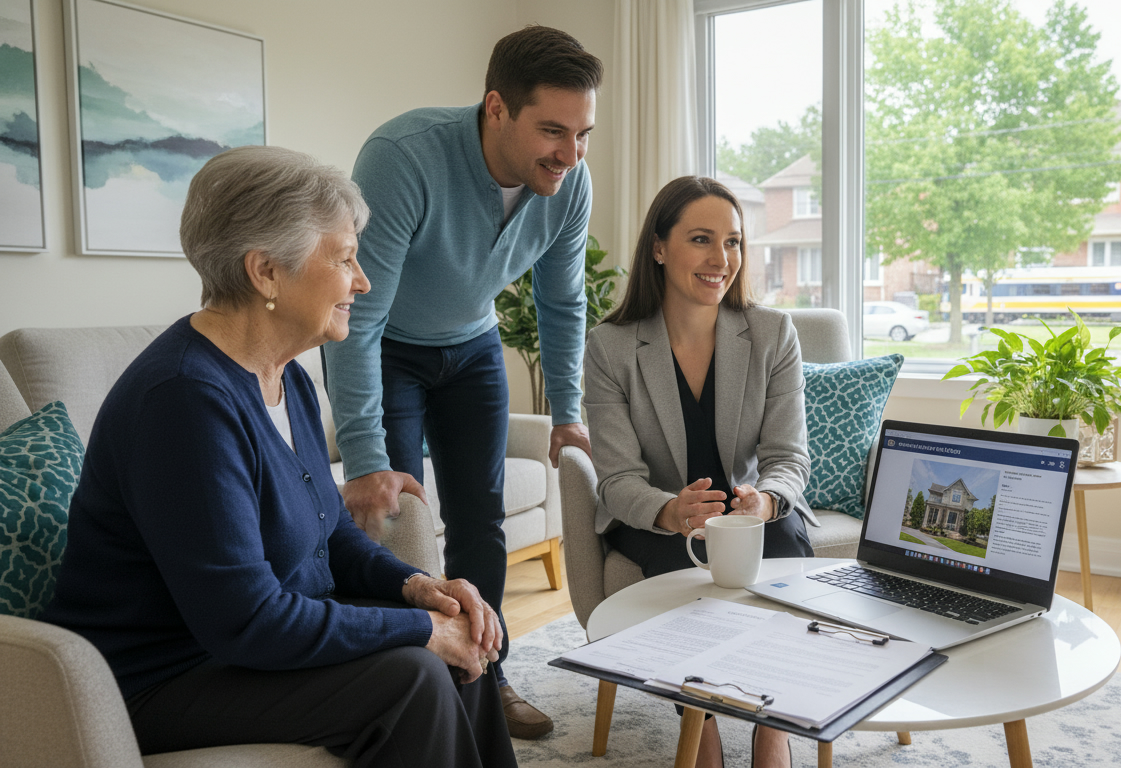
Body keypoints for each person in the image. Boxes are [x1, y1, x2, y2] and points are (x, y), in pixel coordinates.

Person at [40, 146, 515, 768]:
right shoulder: (184, 400)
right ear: (265, 272)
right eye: (345, 258)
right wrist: (422, 631)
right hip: (159, 677)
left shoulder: (286, 376)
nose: (363, 280)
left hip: (245, 648)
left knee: (463, 645)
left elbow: (331, 533)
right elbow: (247, 620)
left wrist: (419, 589)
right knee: (415, 676)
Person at [321, 25, 603, 738]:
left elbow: (562, 300)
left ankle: (489, 677)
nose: (570, 155)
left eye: (583, 134)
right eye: (552, 131)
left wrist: (567, 410)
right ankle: (411, 681)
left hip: (473, 348)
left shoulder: (569, 187)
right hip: (390, 349)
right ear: (496, 109)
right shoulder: (402, 158)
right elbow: (358, 309)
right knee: (401, 520)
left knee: (481, 521)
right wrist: (363, 456)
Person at [583, 176, 815, 768]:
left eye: (734, 242)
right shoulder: (610, 347)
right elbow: (616, 478)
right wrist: (669, 509)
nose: (722, 260)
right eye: (702, 239)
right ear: (659, 247)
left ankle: (774, 725)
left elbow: (789, 458)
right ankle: (702, 721)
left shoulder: (771, 334)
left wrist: (765, 500)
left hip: (746, 510)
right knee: (681, 560)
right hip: (657, 514)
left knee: (784, 538)